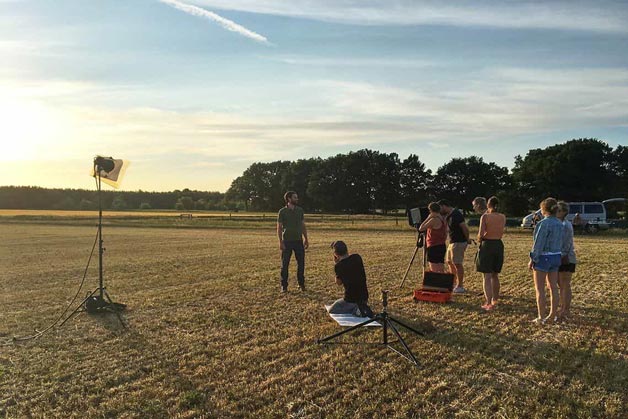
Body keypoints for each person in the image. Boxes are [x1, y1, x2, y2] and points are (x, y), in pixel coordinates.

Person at [528, 197, 563, 324]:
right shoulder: (560, 223)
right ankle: (552, 315)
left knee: (540, 289)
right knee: (553, 287)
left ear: (544, 210)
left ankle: (541, 316)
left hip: (544, 257)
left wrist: (533, 259)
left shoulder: (543, 224)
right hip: (556, 256)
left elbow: (539, 243)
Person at [476, 196, 506, 311]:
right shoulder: (502, 217)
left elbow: (481, 234)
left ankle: (488, 302)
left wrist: (479, 240)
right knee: (495, 274)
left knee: (486, 275)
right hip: (498, 244)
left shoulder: (485, 216)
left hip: (487, 245)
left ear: (488, 205)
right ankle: (495, 299)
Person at [327, 241, 372, 317]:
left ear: (336, 254)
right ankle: (361, 306)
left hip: (350, 299)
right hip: (364, 297)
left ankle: (357, 309)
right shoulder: (357, 257)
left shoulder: (339, 266)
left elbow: (338, 283)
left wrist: (336, 264)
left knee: (332, 310)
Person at [277, 191, 309, 293]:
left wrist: (306, 239)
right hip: (287, 241)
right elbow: (279, 227)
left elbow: (303, 225)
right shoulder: (282, 212)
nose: (297, 199)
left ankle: (301, 284)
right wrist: (280, 242)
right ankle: (284, 286)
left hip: (298, 241)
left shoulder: (300, 211)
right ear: (289, 199)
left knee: (301, 263)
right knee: (285, 264)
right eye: (295, 197)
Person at [439, 199, 471, 293]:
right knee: (449, 262)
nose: (440, 210)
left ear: (444, 206)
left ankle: (460, 286)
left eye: (440, 208)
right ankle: (452, 283)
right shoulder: (448, 216)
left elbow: (464, 227)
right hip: (452, 242)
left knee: (457, 263)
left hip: (459, 242)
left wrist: (467, 239)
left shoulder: (456, 214)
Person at [557, 201, 577, 321]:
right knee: (561, 285)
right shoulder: (563, 223)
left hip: (566, 258)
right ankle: (563, 307)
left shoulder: (565, 225)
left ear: (564, 212)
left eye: (559, 210)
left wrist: (562, 256)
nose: (556, 212)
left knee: (565, 284)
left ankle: (566, 310)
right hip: (563, 256)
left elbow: (565, 243)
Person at [418, 202, 447, 273]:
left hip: (433, 246)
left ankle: (435, 283)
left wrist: (428, 217)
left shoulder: (433, 220)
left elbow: (421, 228)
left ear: (430, 210)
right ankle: (441, 283)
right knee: (440, 267)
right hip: (441, 245)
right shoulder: (442, 219)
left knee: (433, 268)